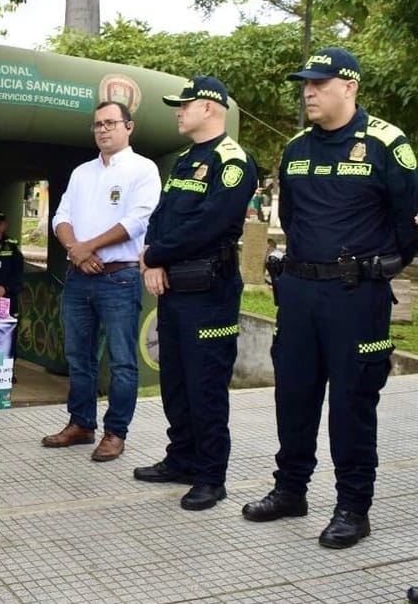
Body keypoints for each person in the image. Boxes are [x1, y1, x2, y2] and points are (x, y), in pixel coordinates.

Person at [242, 48, 418, 548]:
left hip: (355, 297)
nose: (309, 92)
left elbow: (410, 224)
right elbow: (293, 219)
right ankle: (290, 490)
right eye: (306, 84)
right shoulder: (297, 148)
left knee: (351, 403)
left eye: (320, 83)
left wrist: (374, 268)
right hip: (299, 293)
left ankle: (352, 508)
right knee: (293, 396)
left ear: (350, 86)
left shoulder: (387, 143)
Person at [135, 76, 257, 510]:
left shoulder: (233, 161)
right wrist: (153, 258)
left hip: (209, 292)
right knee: (177, 381)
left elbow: (210, 223)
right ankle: (181, 457)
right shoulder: (186, 160)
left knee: (205, 385)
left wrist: (155, 255)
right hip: (174, 288)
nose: (178, 111)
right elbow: (161, 216)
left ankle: (210, 476)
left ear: (209, 107)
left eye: (184, 105)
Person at [41, 100, 161, 462]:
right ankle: (81, 424)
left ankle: (115, 432)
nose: (103, 129)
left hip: (119, 277)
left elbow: (138, 220)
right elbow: (60, 216)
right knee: (79, 356)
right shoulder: (82, 173)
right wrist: (76, 250)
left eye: (110, 123)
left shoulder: (143, 169)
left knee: (122, 360)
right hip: (79, 278)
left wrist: (85, 248)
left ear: (129, 127)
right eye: (97, 125)